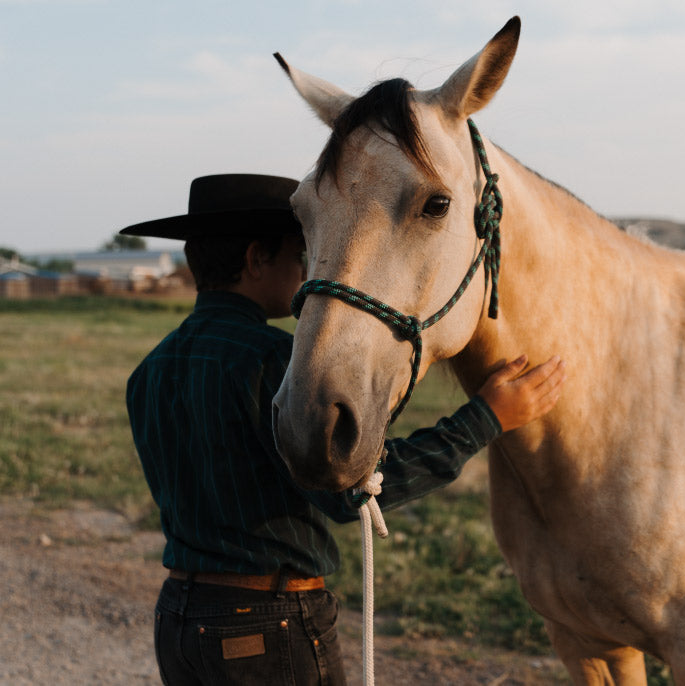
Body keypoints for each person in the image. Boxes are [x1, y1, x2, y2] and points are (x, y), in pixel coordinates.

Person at [122, 174, 566, 685]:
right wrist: (485, 417)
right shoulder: (276, 363)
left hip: (178, 617)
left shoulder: (149, 371)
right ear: (255, 260)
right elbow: (346, 490)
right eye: (298, 255)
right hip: (267, 621)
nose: (308, 270)